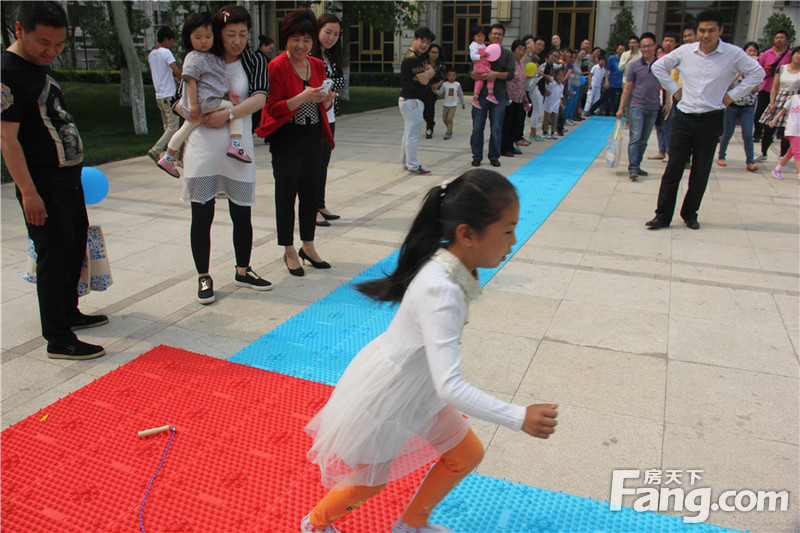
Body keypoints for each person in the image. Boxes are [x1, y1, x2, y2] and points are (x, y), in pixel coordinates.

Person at [299, 169, 559, 533]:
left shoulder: (454, 266)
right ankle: (314, 524)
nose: (514, 240)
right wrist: (518, 416)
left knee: (465, 454)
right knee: (369, 481)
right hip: (391, 396)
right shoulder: (442, 289)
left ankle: (412, 523)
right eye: (507, 230)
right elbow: (449, 386)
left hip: (418, 389)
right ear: (466, 234)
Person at [1, 1, 108, 360]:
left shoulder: (36, 66)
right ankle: (58, 339)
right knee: (54, 256)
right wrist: (29, 193)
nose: (52, 51)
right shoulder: (9, 72)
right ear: (19, 30)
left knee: (73, 247)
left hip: (67, 180)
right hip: (43, 185)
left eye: (60, 44)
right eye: (44, 43)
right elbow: (6, 139)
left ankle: (69, 312)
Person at [177, 4, 271, 303]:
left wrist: (229, 115)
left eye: (243, 33)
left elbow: (259, 98)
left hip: (237, 145)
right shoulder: (202, 58)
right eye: (230, 33)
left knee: (241, 211)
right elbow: (183, 101)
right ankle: (203, 277)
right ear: (218, 33)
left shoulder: (254, 60)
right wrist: (188, 131)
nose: (237, 40)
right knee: (201, 214)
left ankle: (243, 271)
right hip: (203, 145)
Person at [646, 9, 764, 231]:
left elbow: (758, 74)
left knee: (701, 170)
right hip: (684, 118)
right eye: (702, 30)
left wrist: (732, 96)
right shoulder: (685, 51)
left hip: (711, 119)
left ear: (720, 30)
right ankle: (662, 215)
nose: (705, 35)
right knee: (673, 168)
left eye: (711, 30)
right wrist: (675, 90)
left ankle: (690, 213)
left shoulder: (733, 54)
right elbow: (658, 66)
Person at [257, 9, 336, 277]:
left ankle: (308, 246)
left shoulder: (316, 64)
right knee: (286, 196)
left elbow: (321, 104)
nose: (301, 45)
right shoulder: (276, 66)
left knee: (310, 195)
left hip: (313, 135)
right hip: (287, 137)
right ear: (286, 38)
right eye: (295, 39)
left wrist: (326, 99)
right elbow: (272, 108)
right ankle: (289, 249)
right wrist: (302, 97)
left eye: (306, 39)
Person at [156, 13, 251, 179]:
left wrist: (230, 91)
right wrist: (194, 105)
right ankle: (236, 144)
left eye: (208, 36)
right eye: (198, 37)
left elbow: (223, 77)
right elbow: (190, 82)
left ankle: (168, 157)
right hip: (206, 102)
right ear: (189, 38)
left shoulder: (213, 58)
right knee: (234, 110)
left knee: (186, 127)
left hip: (204, 104)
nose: (204, 41)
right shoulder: (193, 58)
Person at [311, 13, 346, 227]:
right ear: (318, 30)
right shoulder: (310, 56)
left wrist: (329, 86)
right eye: (327, 32)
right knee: (313, 164)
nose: (331, 37)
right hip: (315, 115)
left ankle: (320, 203)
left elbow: (340, 82)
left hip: (330, 114)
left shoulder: (332, 57)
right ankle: (311, 208)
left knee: (323, 162)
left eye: (336, 34)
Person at [617, 32, 666, 181]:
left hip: (653, 107)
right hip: (637, 106)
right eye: (643, 46)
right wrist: (620, 108)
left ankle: (637, 165)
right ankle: (632, 168)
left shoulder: (661, 65)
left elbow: (667, 85)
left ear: (655, 47)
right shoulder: (634, 66)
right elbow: (627, 88)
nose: (646, 49)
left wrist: (668, 103)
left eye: (649, 46)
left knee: (644, 140)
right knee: (635, 137)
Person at [470, 23, 513, 167]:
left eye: (500, 34)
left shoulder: (507, 54)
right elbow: (472, 72)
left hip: (498, 95)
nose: (496, 36)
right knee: (477, 127)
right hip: (481, 96)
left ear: (503, 37)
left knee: (496, 127)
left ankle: (494, 156)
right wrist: (478, 75)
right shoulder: (480, 50)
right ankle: (477, 155)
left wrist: (495, 74)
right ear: (489, 35)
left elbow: (510, 74)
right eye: (494, 33)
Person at [717, 42, 761, 172]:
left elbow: (755, 88)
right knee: (727, 132)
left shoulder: (757, 71)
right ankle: (721, 156)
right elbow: (727, 84)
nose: (752, 54)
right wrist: (739, 73)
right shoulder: (735, 67)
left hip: (748, 106)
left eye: (754, 52)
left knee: (748, 134)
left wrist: (749, 74)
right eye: (749, 51)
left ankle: (750, 161)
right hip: (732, 105)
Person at [399, 27, 435, 175]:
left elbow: (424, 75)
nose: (424, 45)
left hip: (409, 100)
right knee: (412, 134)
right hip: (412, 100)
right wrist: (429, 73)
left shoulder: (418, 57)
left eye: (427, 42)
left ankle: (406, 162)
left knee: (408, 133)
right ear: (415, 39)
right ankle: (413, 166)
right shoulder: (413, 59)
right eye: (422, 41)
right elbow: (425, 79)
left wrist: (425, 74)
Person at [756, 46, 800, 163]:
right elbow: (774, 87)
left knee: (787, 129)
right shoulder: (782, 69)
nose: (798, 56)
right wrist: (772, 102)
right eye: (797, 53)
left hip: (793, 100)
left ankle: (782, 155)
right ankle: (763, 152)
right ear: (793, 54)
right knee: (769, 126)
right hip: (779, 98)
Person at [147, 26, 182, 163]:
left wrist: (173, 79)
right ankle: (156, 150)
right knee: (174, 127)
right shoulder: (166, 52)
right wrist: (180, 77)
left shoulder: (152, 55)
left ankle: (171, 155)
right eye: (172, 40)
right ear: (166, 39)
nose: (172, 44)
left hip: (159, 96)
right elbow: (176, 70)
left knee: (167, 127)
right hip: (169, 96)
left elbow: (160, 73)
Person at [753, 30, 791, 144]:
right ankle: (757, 133)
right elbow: (759, 69)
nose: (779, 39)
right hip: (766, 87)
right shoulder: (766, 53)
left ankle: (776, 134)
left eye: (782, 37)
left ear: (786, 40)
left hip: (782, 90)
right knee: (760, 112)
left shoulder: (790, 55)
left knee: (780, 113)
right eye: (777, 37)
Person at [651, 31, 680, 161]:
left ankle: (669, 151)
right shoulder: (659, 59)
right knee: (659, 123)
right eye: (666, 40)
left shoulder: (679, 58)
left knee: (669, 123)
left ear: (676, 43)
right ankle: (661, 150)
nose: (668, 43)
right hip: (659, 93)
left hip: (673, 94)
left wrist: (669, 100)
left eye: (671, 41)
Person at [500, 39, 528, 157]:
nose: (521, 52)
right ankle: (504, 147)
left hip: (519, 98)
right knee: (507, 123)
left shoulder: (521, 63)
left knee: (516, 123)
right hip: (509, 97)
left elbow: (522, 81)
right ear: (513, 49)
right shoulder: (510, 61)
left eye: (523, 50)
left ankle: (511, 145)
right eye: (519, 49)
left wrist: (525, 97)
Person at [769, 92, 800, 181]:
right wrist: (774, 120)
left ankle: (777, 169)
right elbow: (783, 110)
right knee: (798, 153)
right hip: (793, 129)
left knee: (791, 151)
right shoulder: (793, 99)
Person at [423, 43, 447, 138]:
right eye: (432, 52)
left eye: (436, 52)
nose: (434, 54)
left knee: (430, 107)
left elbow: (444, 77)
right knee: (422, 109)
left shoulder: (440, 65)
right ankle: (430, 122)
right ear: (428, 53)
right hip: (423, 87)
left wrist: (437, 85)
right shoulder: (424, 63)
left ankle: (429, 129)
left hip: (433, 89)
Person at [525, 36, 546, 141]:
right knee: (536, 109)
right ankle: (533, 132)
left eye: (542, 45)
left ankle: (533, 132)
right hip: (531, 86)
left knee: (537, 109)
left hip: (538, 85)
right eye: (538, 44)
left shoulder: (539, 58)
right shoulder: (528, 57)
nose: (540, 47)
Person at [469, 26, 495, 109]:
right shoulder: (473, 45)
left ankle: (475, 97)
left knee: (479, 81)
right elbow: (473, 56)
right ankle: (490, 93)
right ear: (474, 37)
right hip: (479, 65)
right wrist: (481, 56)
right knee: (491, 75)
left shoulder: (483, 45)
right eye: (478, 36)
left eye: (482, 36)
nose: (480, 38)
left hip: (484, 64)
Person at [436, 68, 465, 140]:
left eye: (453, 75)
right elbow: (440, 92)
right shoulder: (445, 84)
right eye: (450, 75)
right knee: (444, 119)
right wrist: (434, 89)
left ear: (455, 76)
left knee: (449, 119)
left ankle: (448, 132)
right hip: (445, 104)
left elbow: (460, 94)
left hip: (453, 105)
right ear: (447, 76)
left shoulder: (457, 84)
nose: (451, 77)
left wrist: (462, 103)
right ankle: (450, 128)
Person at [542, 69, 565, 140]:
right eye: (559, 75)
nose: (560, 77)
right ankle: (545, 131)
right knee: (547, 117)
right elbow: (546, 89)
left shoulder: (561, 86)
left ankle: (552, 132)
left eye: (562, 76)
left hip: (556, 104)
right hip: (549, 103)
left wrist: (561, 104)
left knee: (554, 118)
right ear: (555, 76)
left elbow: (560, 96)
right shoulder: (551, 84)